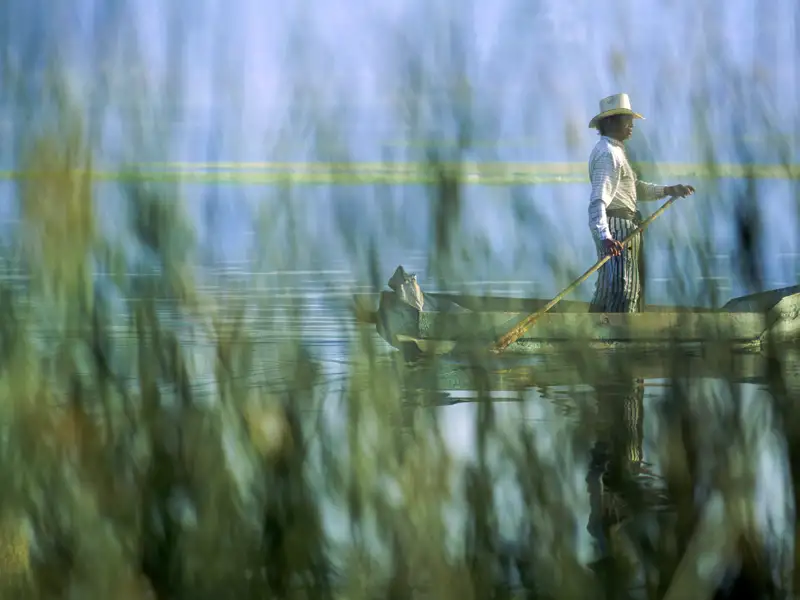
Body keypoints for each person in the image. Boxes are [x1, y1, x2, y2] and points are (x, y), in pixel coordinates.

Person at [587, 93, 695, 313]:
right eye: (626, 119)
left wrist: (668, 190)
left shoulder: (616, 151)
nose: (631, 124)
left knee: (614, 288)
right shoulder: (607, 153)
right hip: (617, 228)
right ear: (609, 122)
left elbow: (634, 188)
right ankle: (614, 338)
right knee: (623, 289)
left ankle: (598, 334)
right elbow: (598, 200)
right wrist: (606, 237)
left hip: (624, 227)